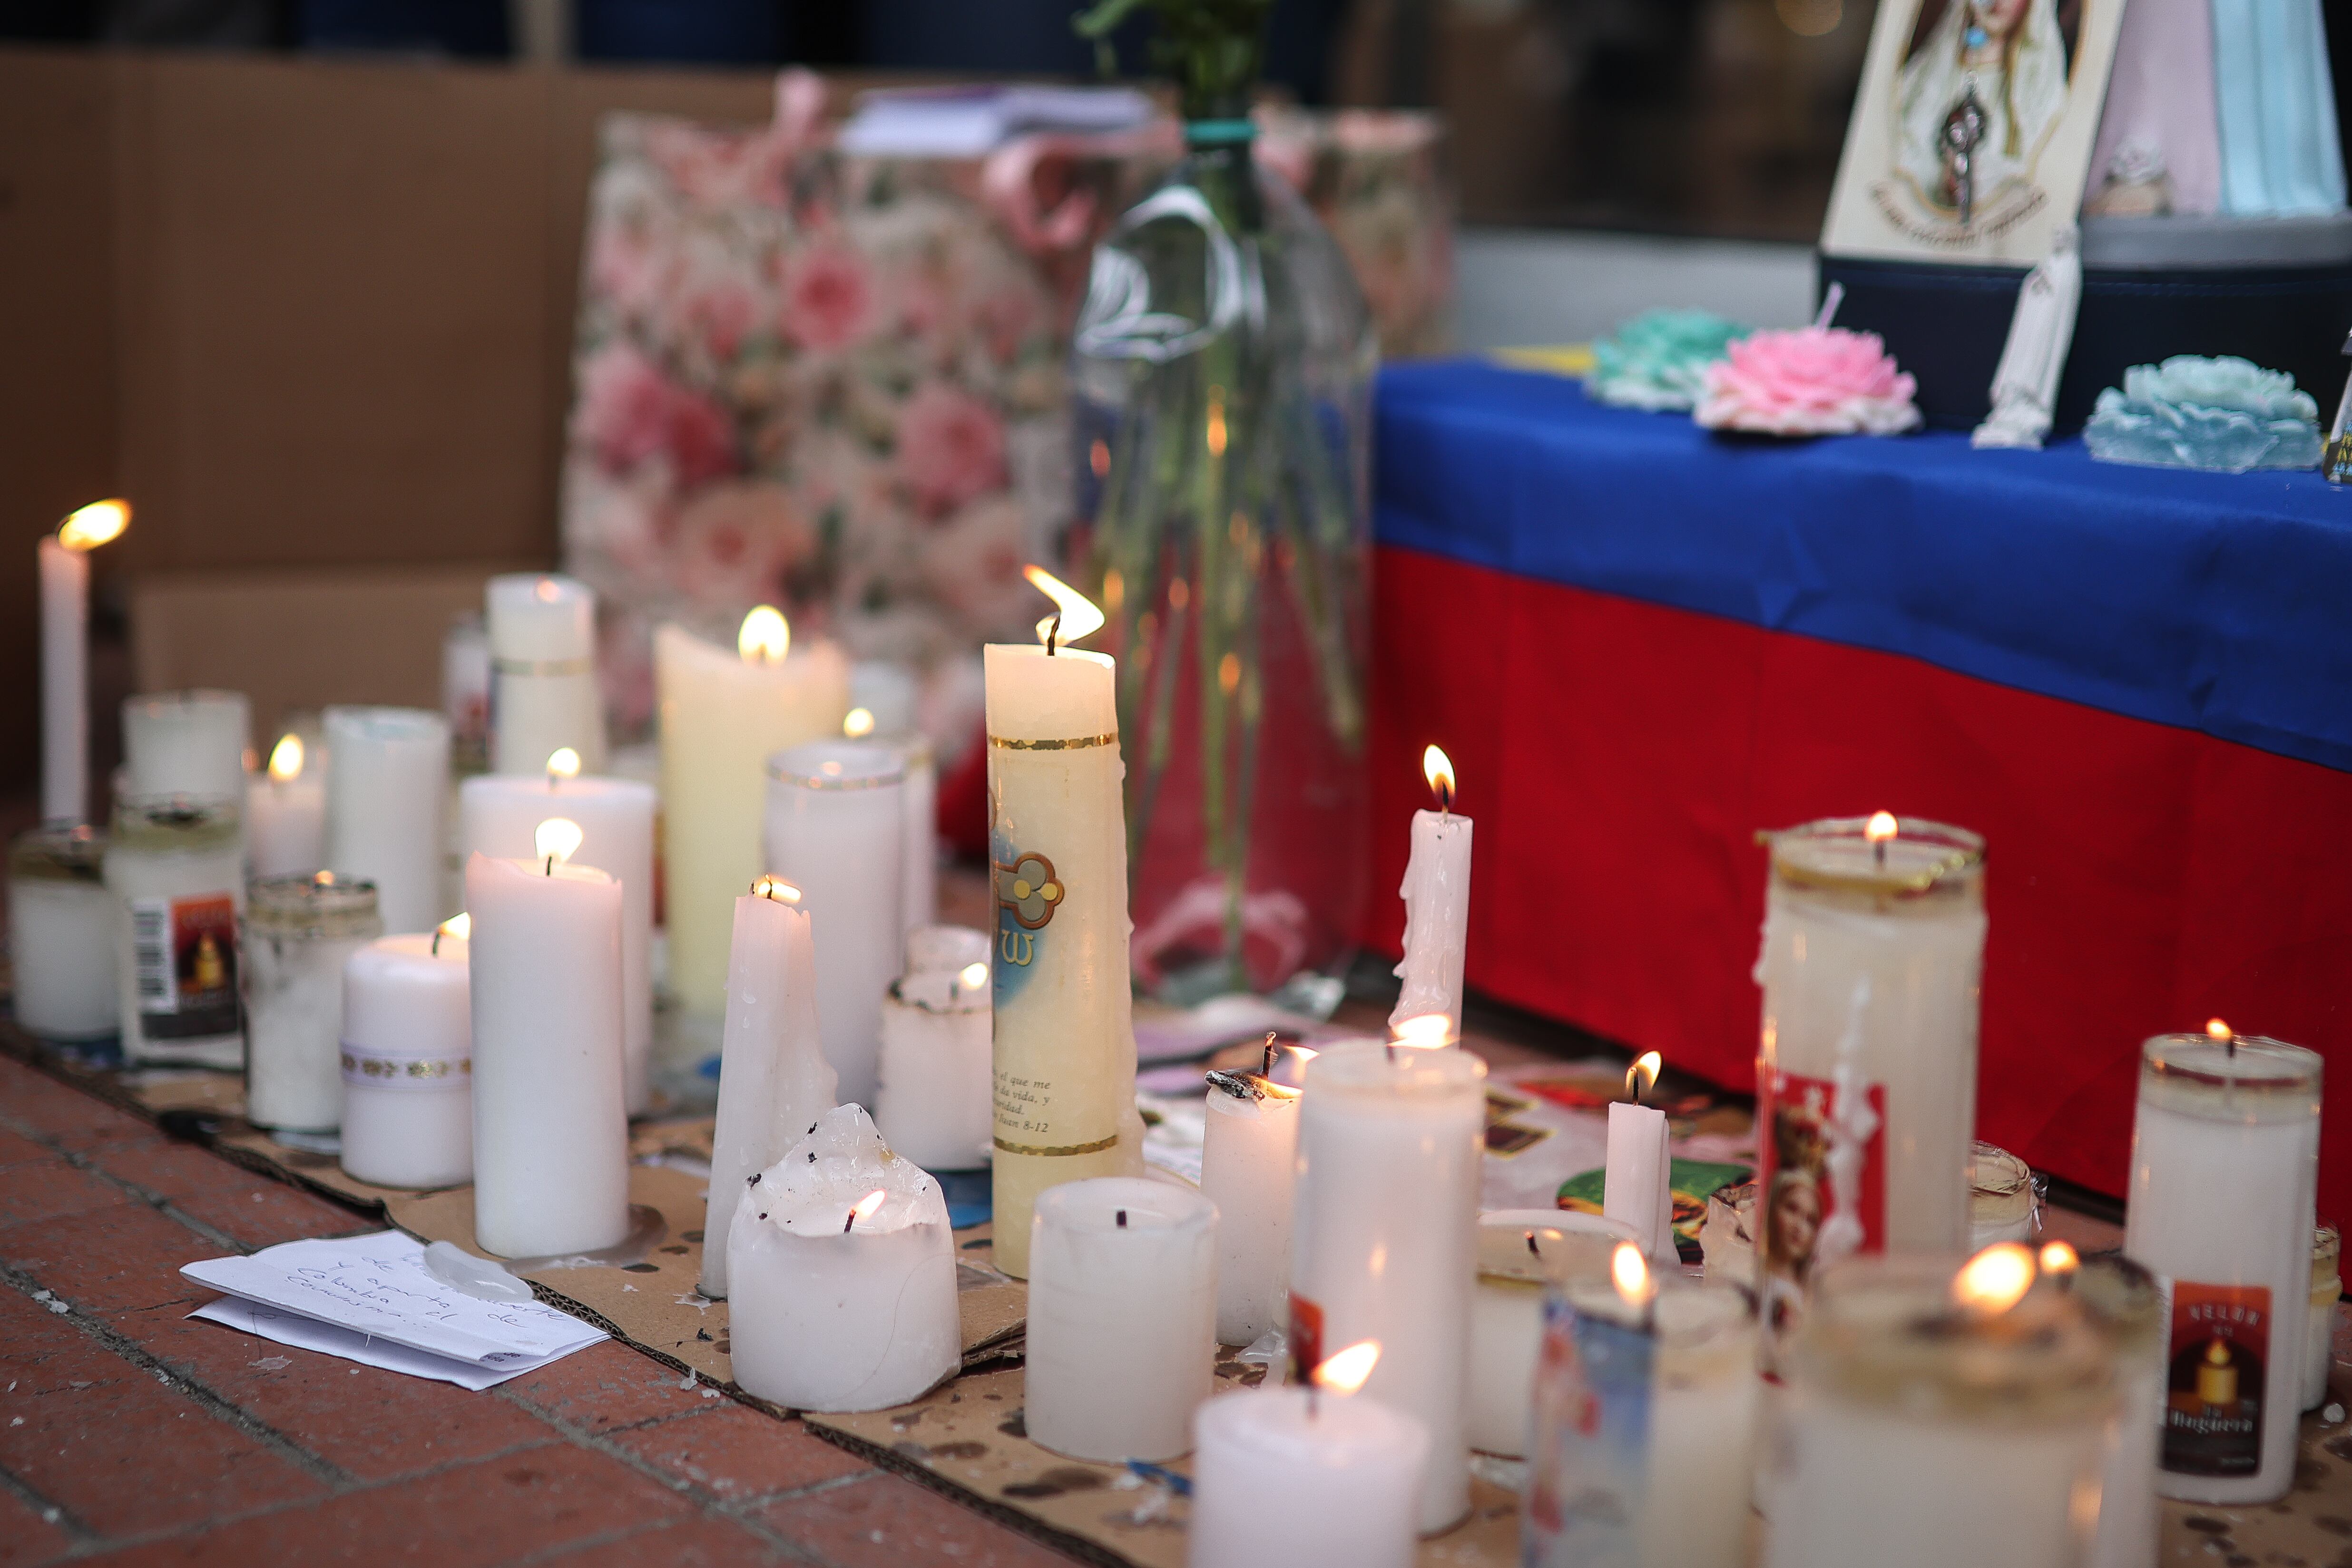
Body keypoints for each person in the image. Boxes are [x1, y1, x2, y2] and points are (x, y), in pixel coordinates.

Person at [1892, 0, 2075, 232]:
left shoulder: (2039, 87)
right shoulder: (1936, 73)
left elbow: (2041, 169)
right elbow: (1905, 139)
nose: (1998, 3)